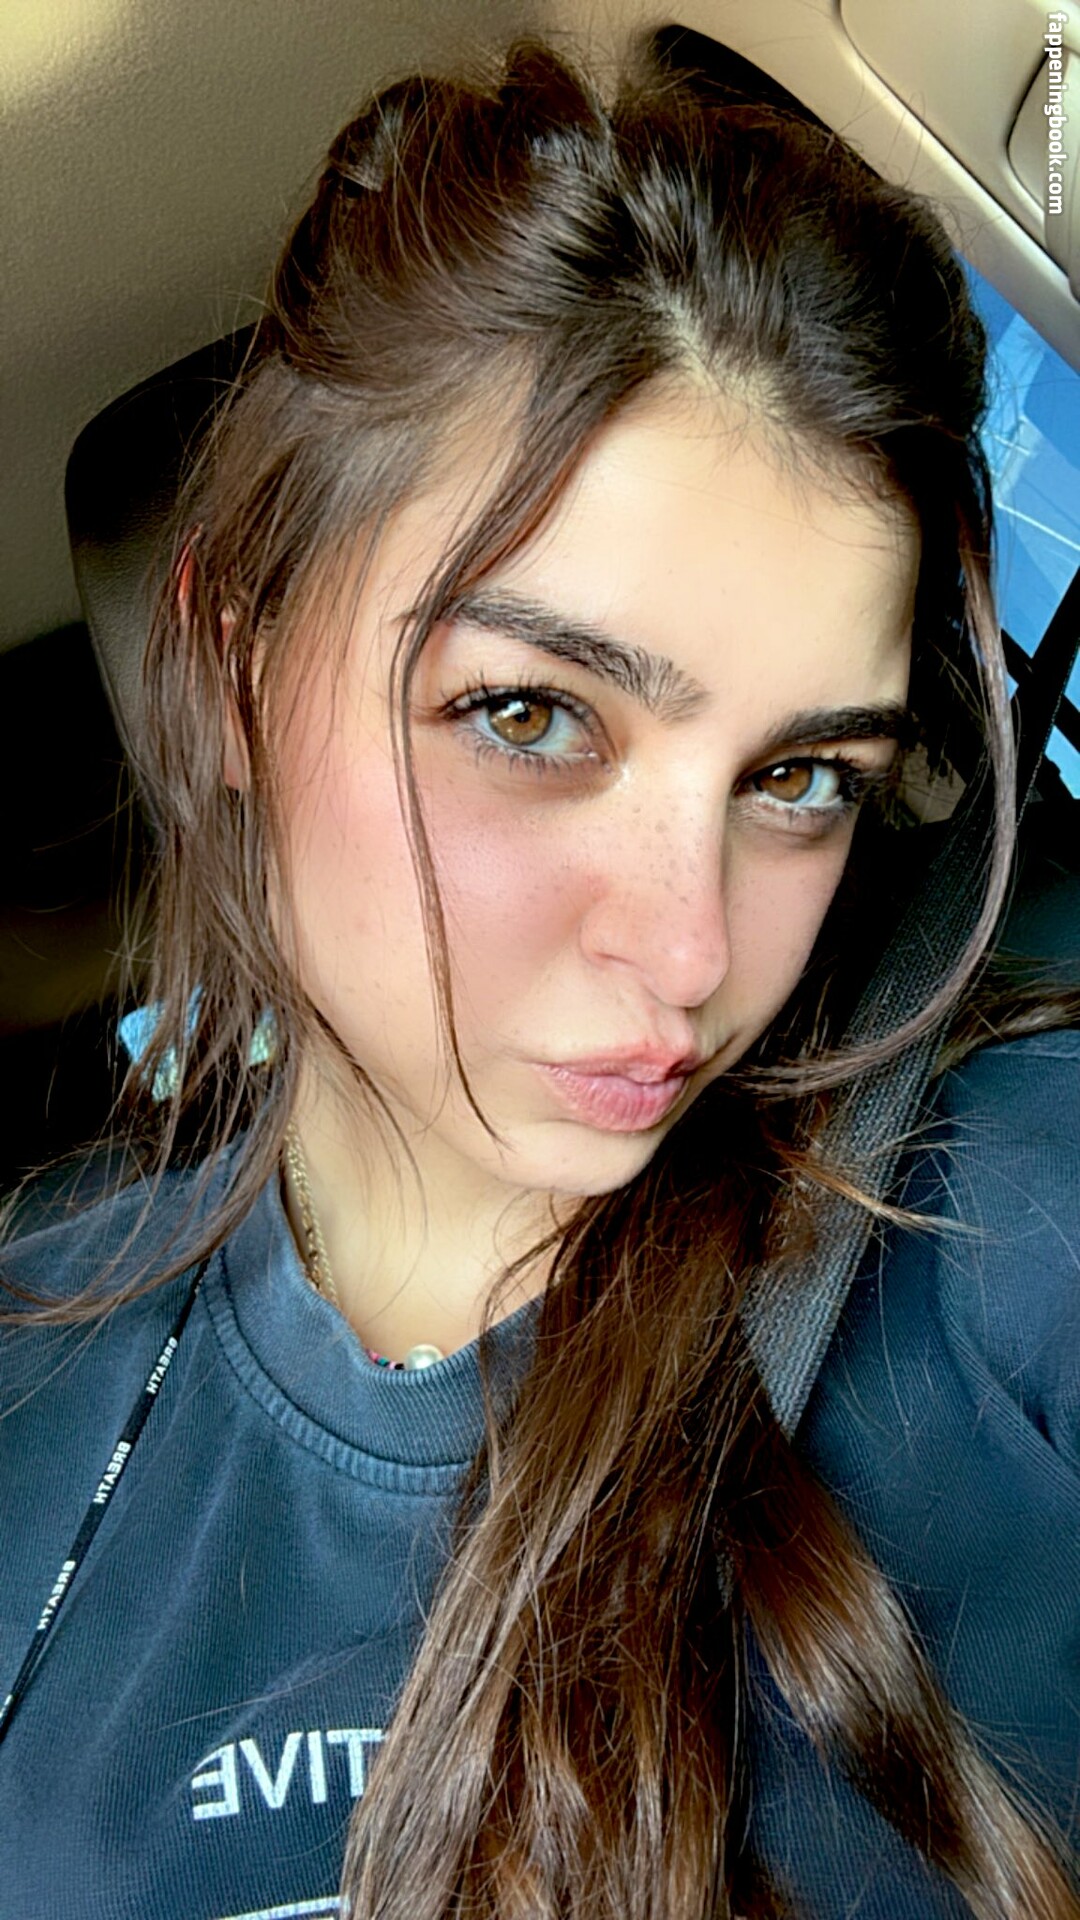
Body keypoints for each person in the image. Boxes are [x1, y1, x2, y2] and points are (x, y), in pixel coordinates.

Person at [1, 35, 1078, 1920]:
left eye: (800, 779)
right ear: (235, 668)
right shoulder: (31, 1368)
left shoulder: (995, 1219)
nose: (689, 951)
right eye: (531, 717)